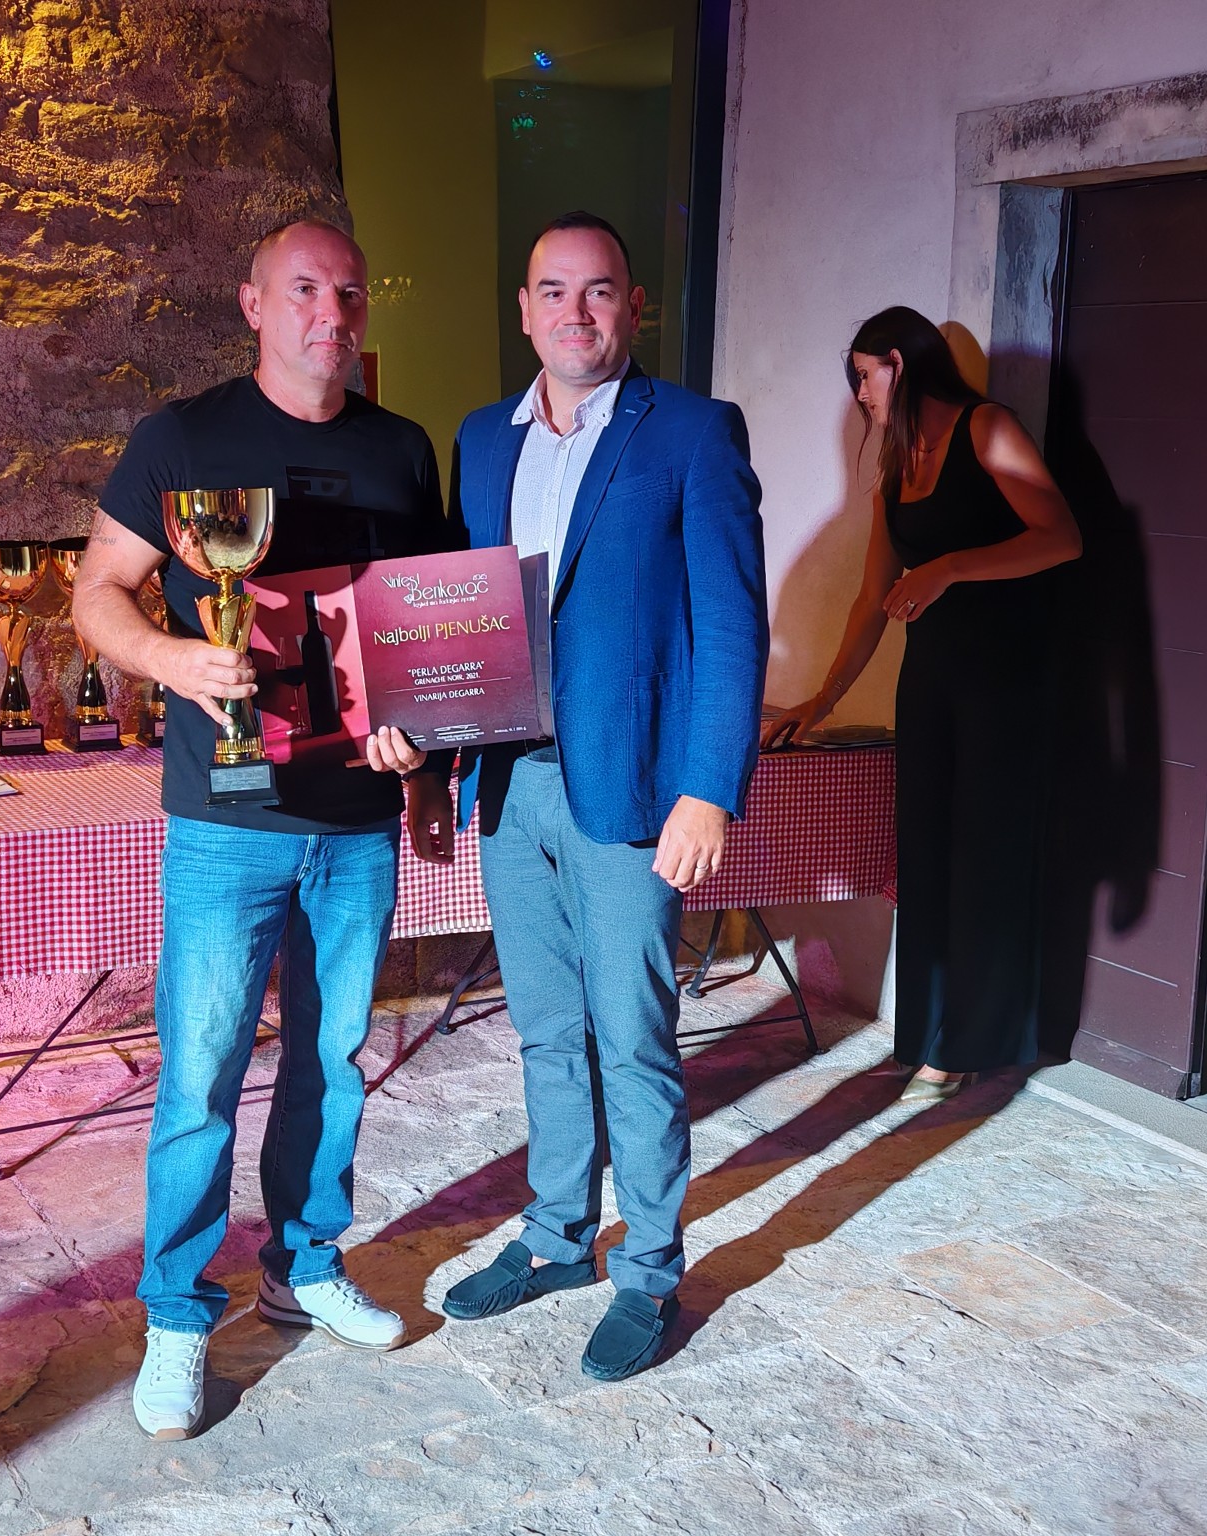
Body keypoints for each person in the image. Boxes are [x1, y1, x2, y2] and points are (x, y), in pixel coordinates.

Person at [71, 219, 459, 1441]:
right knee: (199, 1075)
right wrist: (173, 659)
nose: (327, 314)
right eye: (301, 291)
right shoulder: (180, 438)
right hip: (227, 822)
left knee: (332, 1061)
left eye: (347, 292)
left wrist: (427, 763)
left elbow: (424, 627)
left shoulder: (401, 449)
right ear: (252, 304)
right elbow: (95, 592)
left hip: (357, 821)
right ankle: (176, 1314)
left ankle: (303, 1266)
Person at [378, 212, 767, 1381]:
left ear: (632, 307)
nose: (575, 312)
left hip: (634, 789)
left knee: (631, 1037)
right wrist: (433, 763)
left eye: (598, 291)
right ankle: (554, 1238)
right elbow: (459, 620)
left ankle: (646, 1268)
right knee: (545, 1029)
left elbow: (731, 625)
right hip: (510, 784)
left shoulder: (691, 431)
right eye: (553, 291)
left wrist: (708, 792)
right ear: (523, 308)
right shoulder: (480, 439)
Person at [763, 306, 1081, 1101]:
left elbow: (1061, 536)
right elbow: (872, 600)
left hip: (1005, 681)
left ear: (900, 365)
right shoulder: (899, 468)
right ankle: (932, 1031)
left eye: (864, 377)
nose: (860, 395)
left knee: (984, 857)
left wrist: (949, 568)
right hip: (932, 680)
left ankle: (973, 1041)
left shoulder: (988, 428)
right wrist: (822, 699)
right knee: (929, 854)